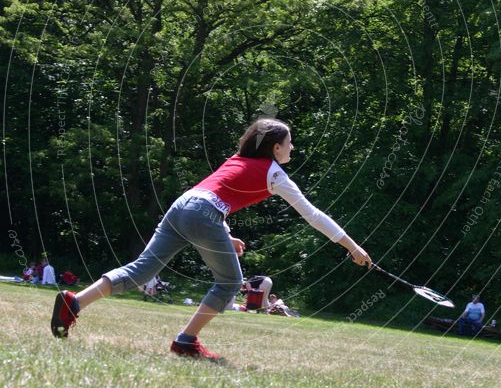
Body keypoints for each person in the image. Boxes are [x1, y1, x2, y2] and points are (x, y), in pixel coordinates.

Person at [51, 118, 372, 360]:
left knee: (142, 270)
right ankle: (186, 341)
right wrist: (352, 247)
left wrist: (225, 235)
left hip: (183, 205)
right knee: (230, 283)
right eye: (289, 143)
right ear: (275, 147)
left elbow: (214, 193)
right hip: (203, 213)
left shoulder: (238, 159)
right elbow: (312, 215)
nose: (292, 148)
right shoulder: (274, 173)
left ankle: (74, 301)